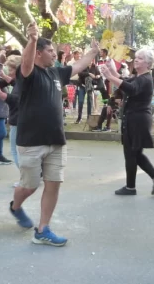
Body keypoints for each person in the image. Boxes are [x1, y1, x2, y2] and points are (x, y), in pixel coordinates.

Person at [9, 21, 98, 247]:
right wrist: (31, 39)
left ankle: (43, 229)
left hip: (56, 141)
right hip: (31, 141)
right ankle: (16, 206)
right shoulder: (28, 74)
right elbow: (26, 64)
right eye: (50, 51)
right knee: (29, 186)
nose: (54, 54)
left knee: (53, 184)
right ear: (39, 53)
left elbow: (78, 66)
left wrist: (93, 52)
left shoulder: (56, 72)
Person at [100, 51, 154, 196]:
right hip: (136, 118)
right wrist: (111, 71)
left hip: (138, 119)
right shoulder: (139, 77)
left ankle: (131, 187)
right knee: (135, 153)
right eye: (136, 58)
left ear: (148, 63)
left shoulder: (145, 79)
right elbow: (125, 81)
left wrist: (110, 76)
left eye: (140, 59)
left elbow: (130, 89)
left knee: (131, 153)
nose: (136, 60)